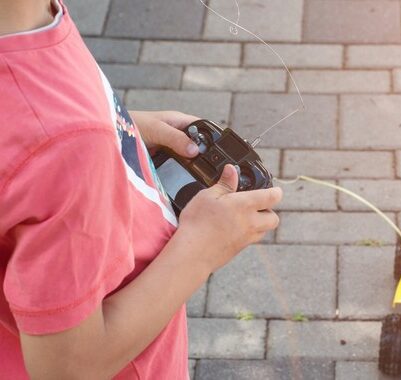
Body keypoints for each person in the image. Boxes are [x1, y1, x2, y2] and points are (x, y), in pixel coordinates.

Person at [0, 0, 283, 378]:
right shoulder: (64, 138)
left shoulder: (34, 24)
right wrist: (201, 247)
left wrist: (117, 128)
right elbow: (67, 370)